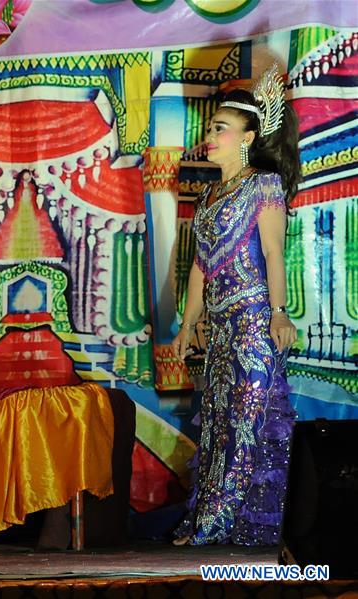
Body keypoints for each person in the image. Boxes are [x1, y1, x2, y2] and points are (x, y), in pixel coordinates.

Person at [171, 65, 300, 546]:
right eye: (210, 128)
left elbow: (272, 252)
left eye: (220, 128)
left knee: (247, 421)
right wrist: (188, 324)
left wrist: (279, 313)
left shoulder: (262, 185)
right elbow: (199, 266)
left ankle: (223, 522)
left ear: (247, 137)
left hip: (254, 322)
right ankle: (212, 517)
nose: (210, 136)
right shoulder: (207, 195)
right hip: (221, 327)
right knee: (218, 423)